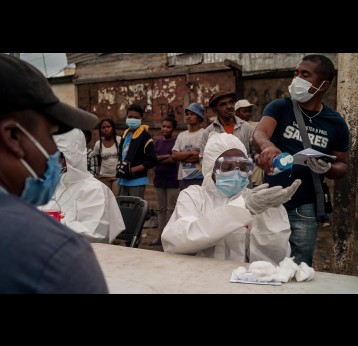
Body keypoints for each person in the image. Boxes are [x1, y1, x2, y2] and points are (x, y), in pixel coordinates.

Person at [0, 53, 108, 293]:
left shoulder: (91, 189)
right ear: (13, 137)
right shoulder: (57, 254)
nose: (52, 152)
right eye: (49, 135)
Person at [251, 54, 349, 266]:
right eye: (297, 73)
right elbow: (259, 133)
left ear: (323, 85)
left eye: (305, 75)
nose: (297, 79)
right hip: (270, 199)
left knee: (299, 265)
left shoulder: (336, 122)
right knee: (263, 261)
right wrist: (267, 146)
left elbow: (342, 166)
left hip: (305, 206)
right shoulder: (280, 107)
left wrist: (328, 167)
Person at [162, 132, 301, 265]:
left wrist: (271, 214)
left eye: (243, 166)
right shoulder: (193, 196)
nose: (237, 173)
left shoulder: (254, 200)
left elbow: (272, 261)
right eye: (227, 166)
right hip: (199, 278)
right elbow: (178, 241)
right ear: (211, 169)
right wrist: (243, 209)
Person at [40, 128, 125, 244]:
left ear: (71, 158)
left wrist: (52, 223)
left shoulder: (93, 190)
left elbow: (94, 235)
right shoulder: (51, 185)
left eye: (55, 158)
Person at [116, 103, 157, 199]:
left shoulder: (145, 136)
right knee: (122, 210)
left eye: (136, 117)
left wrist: (131, 170)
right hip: (122, 179)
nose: (132, 119)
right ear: (126, 117)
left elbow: (152, 160)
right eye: (130, 117)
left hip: (137, 180)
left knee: (135, 210)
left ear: (141, 119)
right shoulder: (125, 134)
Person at [150, 114, 179, 246]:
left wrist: (162, 157)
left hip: (172, 180)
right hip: (159, 179)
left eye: (168, 127)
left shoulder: (176, 142)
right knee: (161, 209)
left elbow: (175, 159)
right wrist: (167, 156)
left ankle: (169, 237)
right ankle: (160, 237)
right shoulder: (157, 142)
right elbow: (152, 158)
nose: (165, 129)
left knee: (171, 209)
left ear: (173, 129)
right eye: (163, 126)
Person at [199, 91, 253, 160]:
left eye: (231, 102)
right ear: (214, 110)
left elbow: (256, 153)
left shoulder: (246, 127)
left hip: (244, 170)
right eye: (223, 104)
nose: (229, 106)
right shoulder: (209, 132)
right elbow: (203, 159)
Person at [172, 103, 205, 191]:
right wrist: (191, 152)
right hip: (183, 177)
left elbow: (200, 157)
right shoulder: (182, 135)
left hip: (200, 177)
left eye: (192, 114)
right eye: (187, 114)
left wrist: (182, 156)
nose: (188, 117)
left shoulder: (204, 134)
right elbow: (174, 156)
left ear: (199, 117)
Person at [235, 99, 264, 187]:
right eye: (244, 111)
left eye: (249, 111)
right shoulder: (234, 128)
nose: (248, 113)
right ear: (237, 113)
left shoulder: (256, 125)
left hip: (256, 169)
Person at [94, 118, 121, 196]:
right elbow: (98, 161)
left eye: (108, 127)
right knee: (106, 200)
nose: (106, 129)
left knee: (116, 200)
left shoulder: (119, 141)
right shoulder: (98, 144)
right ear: (101, 130)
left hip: (117, 177)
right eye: (103, 127)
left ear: (112, 128)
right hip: (104, 176)